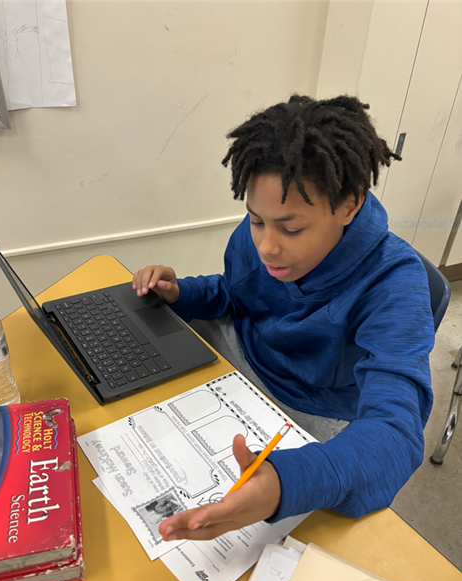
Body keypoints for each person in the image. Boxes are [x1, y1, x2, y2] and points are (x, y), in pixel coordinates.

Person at [132, 94, 434, 542]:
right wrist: (183, 293)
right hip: (245, 355)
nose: (267, 246)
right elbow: (237, 294)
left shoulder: (395, 281)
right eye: (257, 221)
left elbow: (397, 428)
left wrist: (285, 484)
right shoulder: (260, 236)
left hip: (312, 402)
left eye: (291, 228)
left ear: (349, 204)